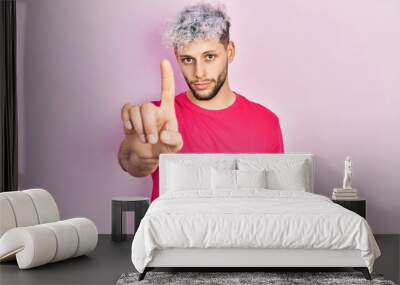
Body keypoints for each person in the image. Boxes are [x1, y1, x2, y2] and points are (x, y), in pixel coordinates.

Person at [118, 2, 285, 202]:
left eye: (209, 57)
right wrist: (143, 156)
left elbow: (276, 199)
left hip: (243, 232)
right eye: (188, 59)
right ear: (177, 58)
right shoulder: (159, 117)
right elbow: (131, 161)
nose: (199, 73)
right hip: (173, 232)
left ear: (229, 51)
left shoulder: (266, 122)